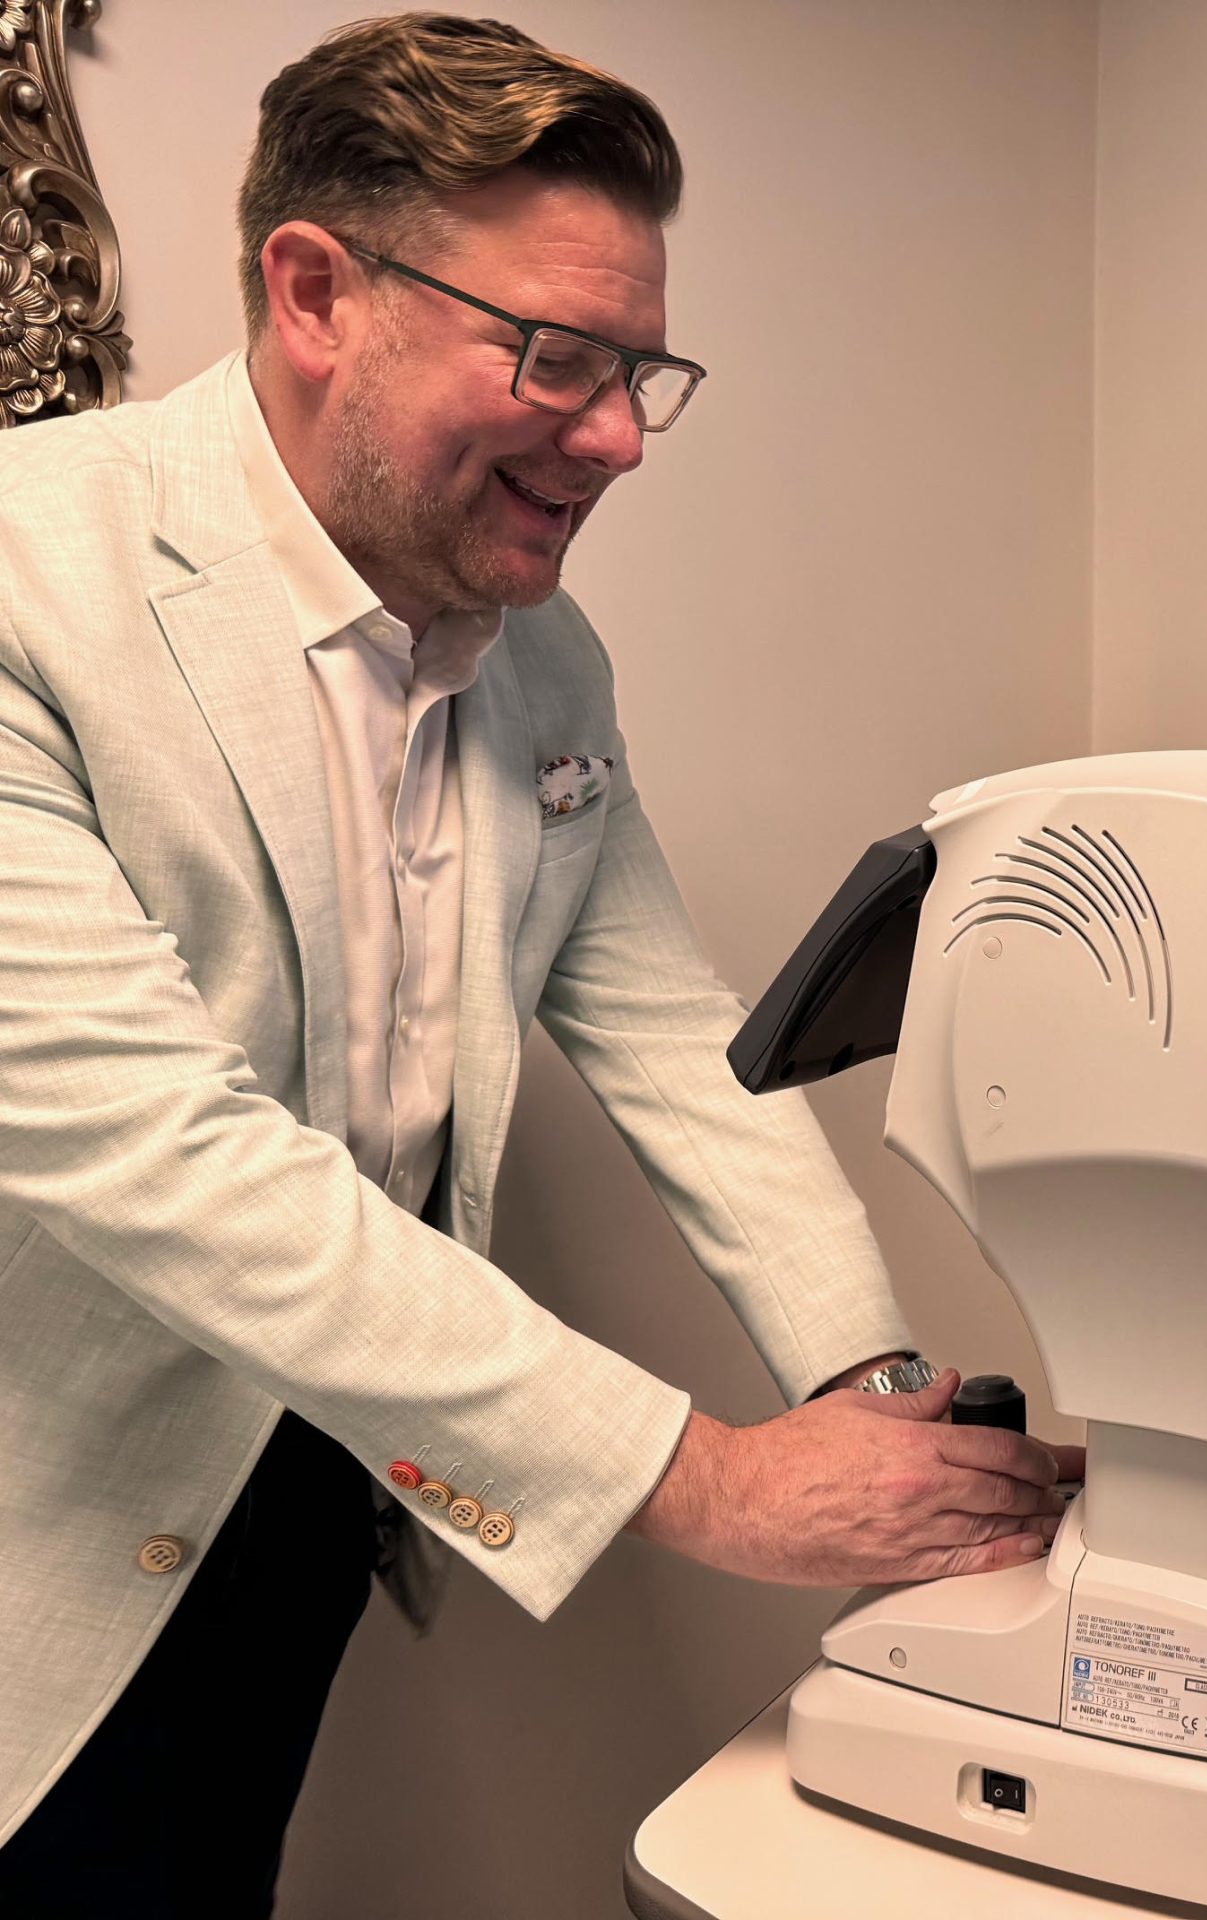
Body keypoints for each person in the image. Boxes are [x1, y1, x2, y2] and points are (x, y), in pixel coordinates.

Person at [0, 15, 1076, 1910]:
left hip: (322, 1478)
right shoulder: (32, 580)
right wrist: (714, 1480)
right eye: (559, 358)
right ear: (318, 295)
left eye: (640, 372)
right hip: (43, 1514)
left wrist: (880, 1384)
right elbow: (170, 1154)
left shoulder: (544, 659)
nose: (617, 439)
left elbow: (681, 1047)